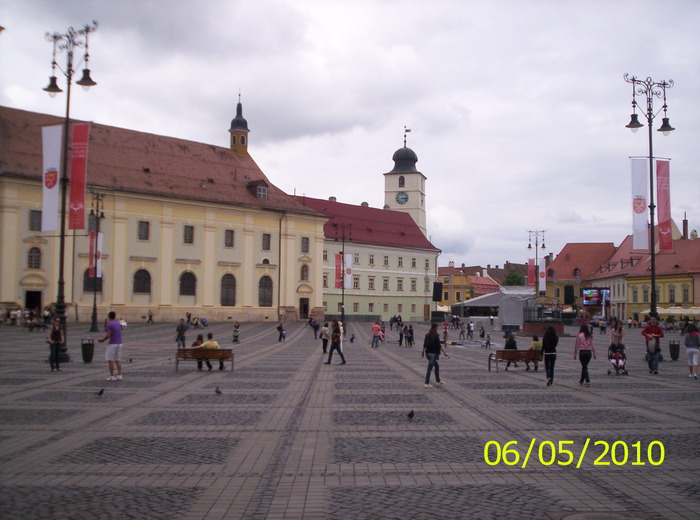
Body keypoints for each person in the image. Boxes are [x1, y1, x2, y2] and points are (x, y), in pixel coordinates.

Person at [98, 311, 124, 381]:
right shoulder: (118, 323)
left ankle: (112, 376)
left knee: (110, 360)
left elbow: (108, 335)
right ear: (114, 316)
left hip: (112, 343)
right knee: (118, 360)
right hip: (120, 343)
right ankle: (119, 375)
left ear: (109, 316)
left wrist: (102, 340)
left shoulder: (109, 324)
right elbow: (121, 328)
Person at [422, 322, 448, 388]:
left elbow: (424, 344)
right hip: (433, 354)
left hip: (428, 353)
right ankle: (426, 383)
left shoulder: (427, 334)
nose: (438, 328)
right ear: (436, 327)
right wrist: (444, 352)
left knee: (436, 366)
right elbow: (438, 345)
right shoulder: (436, 335)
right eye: (437, 327)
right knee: (429, 369)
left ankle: (438, 380)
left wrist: (422, 352)